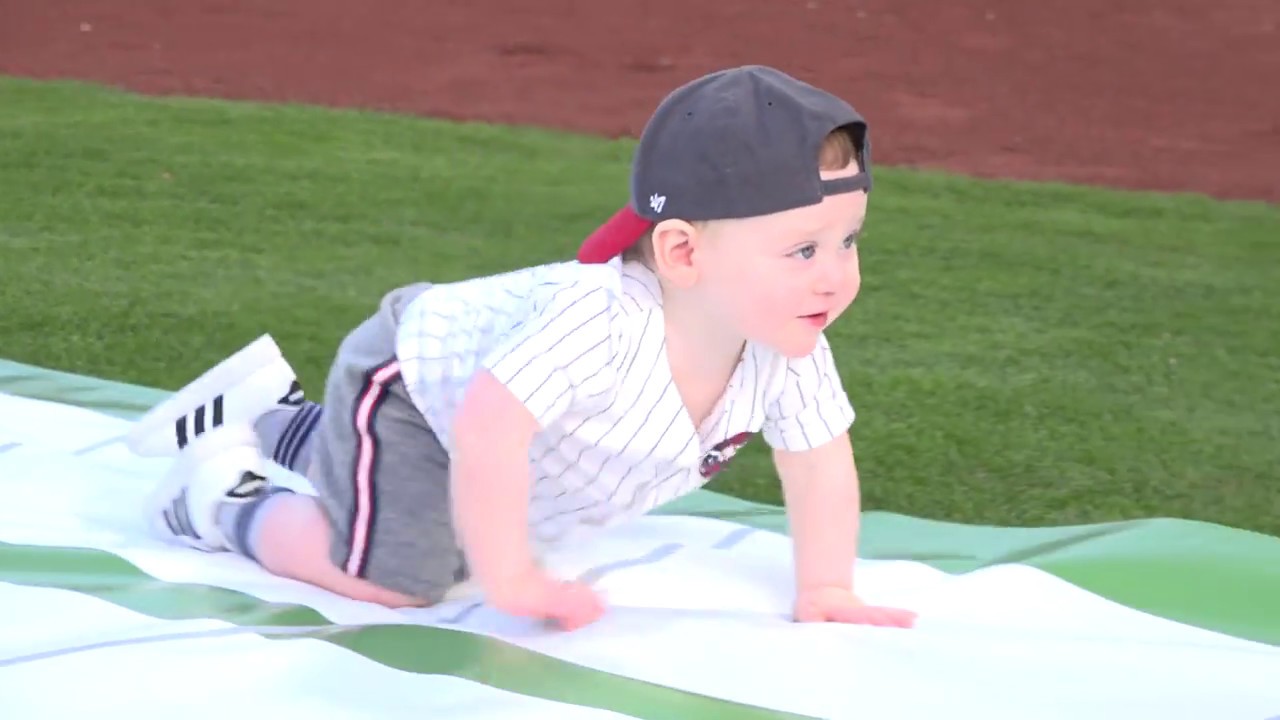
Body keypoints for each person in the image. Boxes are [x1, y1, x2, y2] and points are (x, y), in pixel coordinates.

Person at [126, 64, 919, 631]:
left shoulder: (789, 344)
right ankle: (221, 494)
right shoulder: (600, 320)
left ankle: (284, 417)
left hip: (463, 406)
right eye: (803, 250)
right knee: (405, 579)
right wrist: (508, 576)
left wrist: (825, 585)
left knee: (439, 515)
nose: (836, 277)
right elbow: (485, 432)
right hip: (412, 391)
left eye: (848, 242)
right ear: (683, 255)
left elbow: (818, 461)